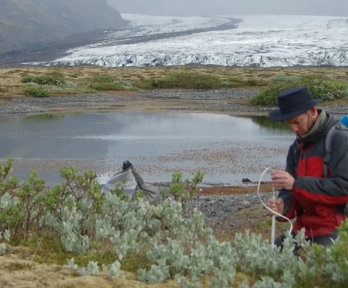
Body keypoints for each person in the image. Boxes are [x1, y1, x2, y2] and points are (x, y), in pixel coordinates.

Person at [267, 86, 348, 247]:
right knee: (264, 260)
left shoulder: (340, 139)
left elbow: (343, 189)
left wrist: (296, 184)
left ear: (312, 111)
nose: (293, 129)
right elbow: (290, 192)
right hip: (302, 230)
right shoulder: (296, 148)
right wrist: (283, 206)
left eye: (297, 122)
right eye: (289, 124)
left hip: (336, 230)